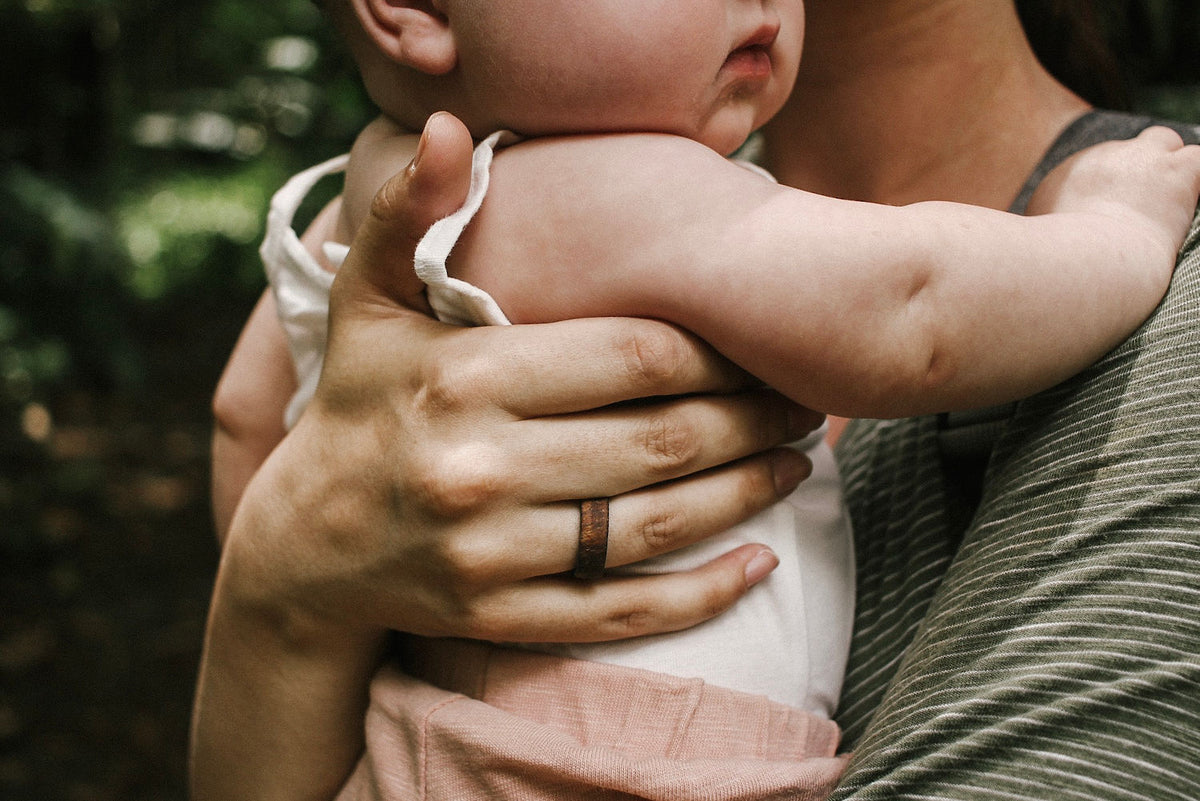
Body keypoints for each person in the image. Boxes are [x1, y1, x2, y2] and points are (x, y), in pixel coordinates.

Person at [192, 1, 1200, 800]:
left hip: (414, 746)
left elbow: (248, 417)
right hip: (618, 764)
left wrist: (302, 595)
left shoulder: (355, 202)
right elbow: (919, 311)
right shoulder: (630, 190)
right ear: (411, 8)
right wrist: (1114, 232)